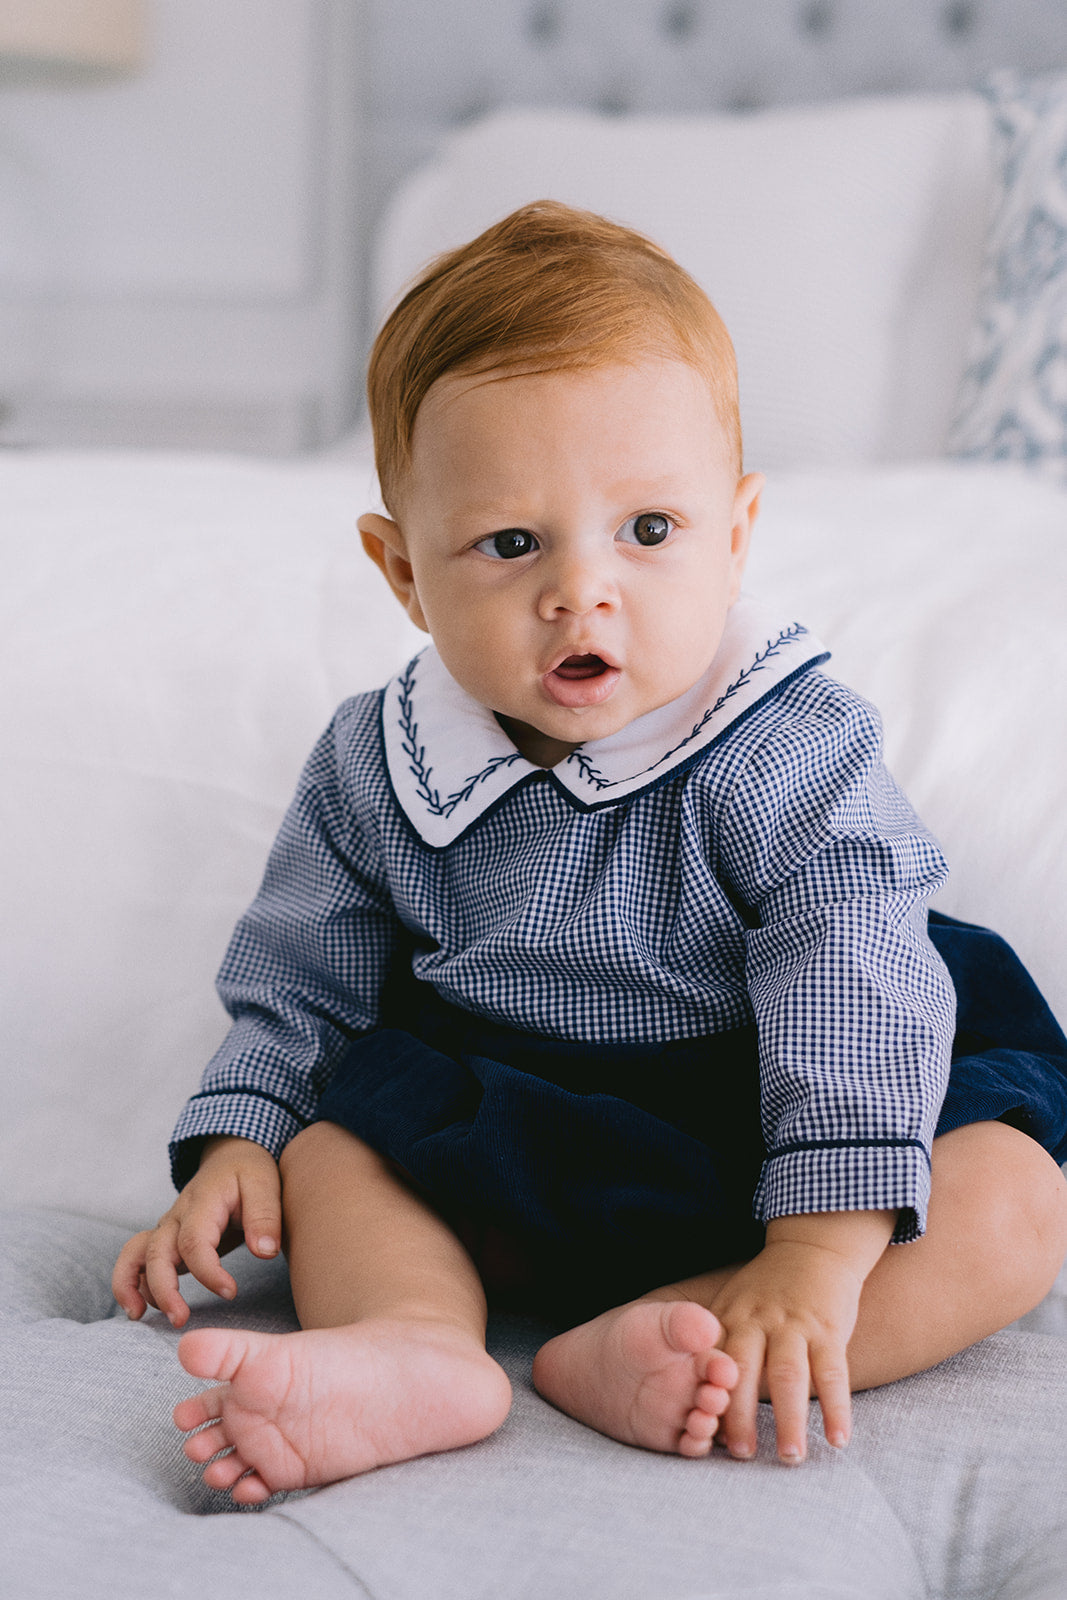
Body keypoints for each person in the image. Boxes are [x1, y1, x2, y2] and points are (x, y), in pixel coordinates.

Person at [113, 201, 1067, 1505]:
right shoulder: (377, 764)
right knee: (336, 1153)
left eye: (650, 532)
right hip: (515, 1125)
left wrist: (820, 1246)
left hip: (784, 1095)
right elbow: (301, 984)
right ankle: (415, 1343)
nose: (582, 591)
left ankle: (706, 1328)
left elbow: (857, 980)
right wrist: (239, 1138)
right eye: (511, 544)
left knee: (1016, 1207)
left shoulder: (785, 745)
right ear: (402, 572)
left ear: (736, 533)